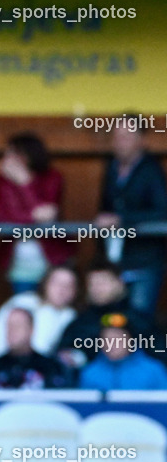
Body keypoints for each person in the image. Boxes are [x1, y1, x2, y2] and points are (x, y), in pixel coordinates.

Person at [95, 116, 167, 315]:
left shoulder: (152, 170)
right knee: (109, 321)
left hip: (144, 262)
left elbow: (162, 212)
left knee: (138, 322)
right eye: (117, 136)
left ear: (142, 140)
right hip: (114, 261)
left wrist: (123, 220)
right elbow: (105, 208)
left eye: (127, 136)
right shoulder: (111, 167)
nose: (120, 141)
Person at [0, 132, 73, 293]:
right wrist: (33, 216)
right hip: (19, 264)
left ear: (26, 155)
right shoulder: (3, 180)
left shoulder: (53, 178)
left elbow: (49, 215)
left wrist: (25, 182)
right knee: (24, 307)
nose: (7, 159)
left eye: (12, 153)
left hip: (52, 257)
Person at [56, 262, 156, 372]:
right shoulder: (79, 324)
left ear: (119, 283)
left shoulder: (140, 321)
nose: (97, 289)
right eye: (92, 284)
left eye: (102, 282)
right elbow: (62, 358)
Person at [0, 265, 78, 356]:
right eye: (57, 283)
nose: (61, 290)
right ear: (45, 283)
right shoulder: (23, 302)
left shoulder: (72, 317)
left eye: (69, 285)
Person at [0, 308, 69, 389]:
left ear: (31, 330)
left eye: (18, 326)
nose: (12, 331)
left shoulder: (51, 368)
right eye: (9, 326)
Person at [79, 316, 167, 390]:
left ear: (130, 340)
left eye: (118, 339)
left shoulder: (153, 370)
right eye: (106, 340)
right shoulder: (90, 373)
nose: (111, 345)